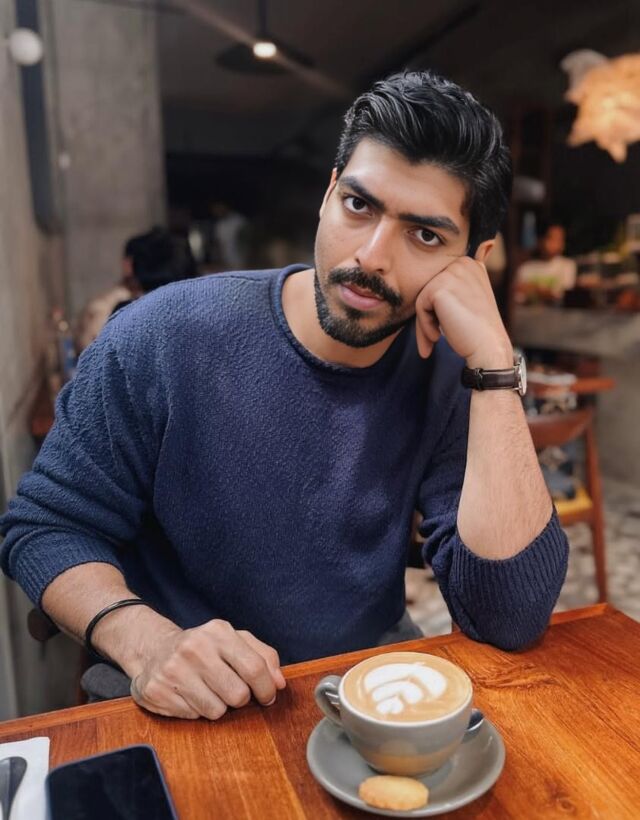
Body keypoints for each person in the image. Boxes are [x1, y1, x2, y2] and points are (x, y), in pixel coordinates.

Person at [0, 71, 568, 720]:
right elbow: (46, 525)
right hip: (182, 704)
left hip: (360, 697)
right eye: (359, 206)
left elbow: (510, 617)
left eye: (425, 235)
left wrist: (494, 366)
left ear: (474, 261)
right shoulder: (162, 333)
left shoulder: (449, 375)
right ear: (329, 194)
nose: (371, 256)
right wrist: (145, 640)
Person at [515, 221, 577, 303]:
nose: (556, 244)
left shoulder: (567, 265)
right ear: (540, 240)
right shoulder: (525, 268)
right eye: (552, 238)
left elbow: (562, 295)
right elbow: (518, 295)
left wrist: (534, 289)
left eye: (559, 239)